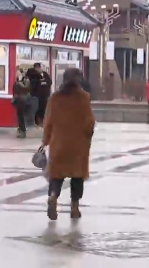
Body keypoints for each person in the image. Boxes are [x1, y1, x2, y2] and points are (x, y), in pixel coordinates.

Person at [43, 68, 95, 221]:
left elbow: (49, 121)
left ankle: (53, 196)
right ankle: (74, 206)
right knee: (77, 176)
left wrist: (45, 141)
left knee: (56, 176)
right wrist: (88, 136)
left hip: (58, 144)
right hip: (78, 145)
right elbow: (89, 122)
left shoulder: (55, 98)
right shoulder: (83, 97)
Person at [12, 69, 34, 138]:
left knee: (23, 116)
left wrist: (19, 83)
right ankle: (21, 129)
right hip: (18, 101)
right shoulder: (17, 80)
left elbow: (26, 88)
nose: (16, 73)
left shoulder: (26, 80)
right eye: (16, 72)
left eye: (17, 72)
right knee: (19, 116)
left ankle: (24, 130)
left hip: (24, 101)